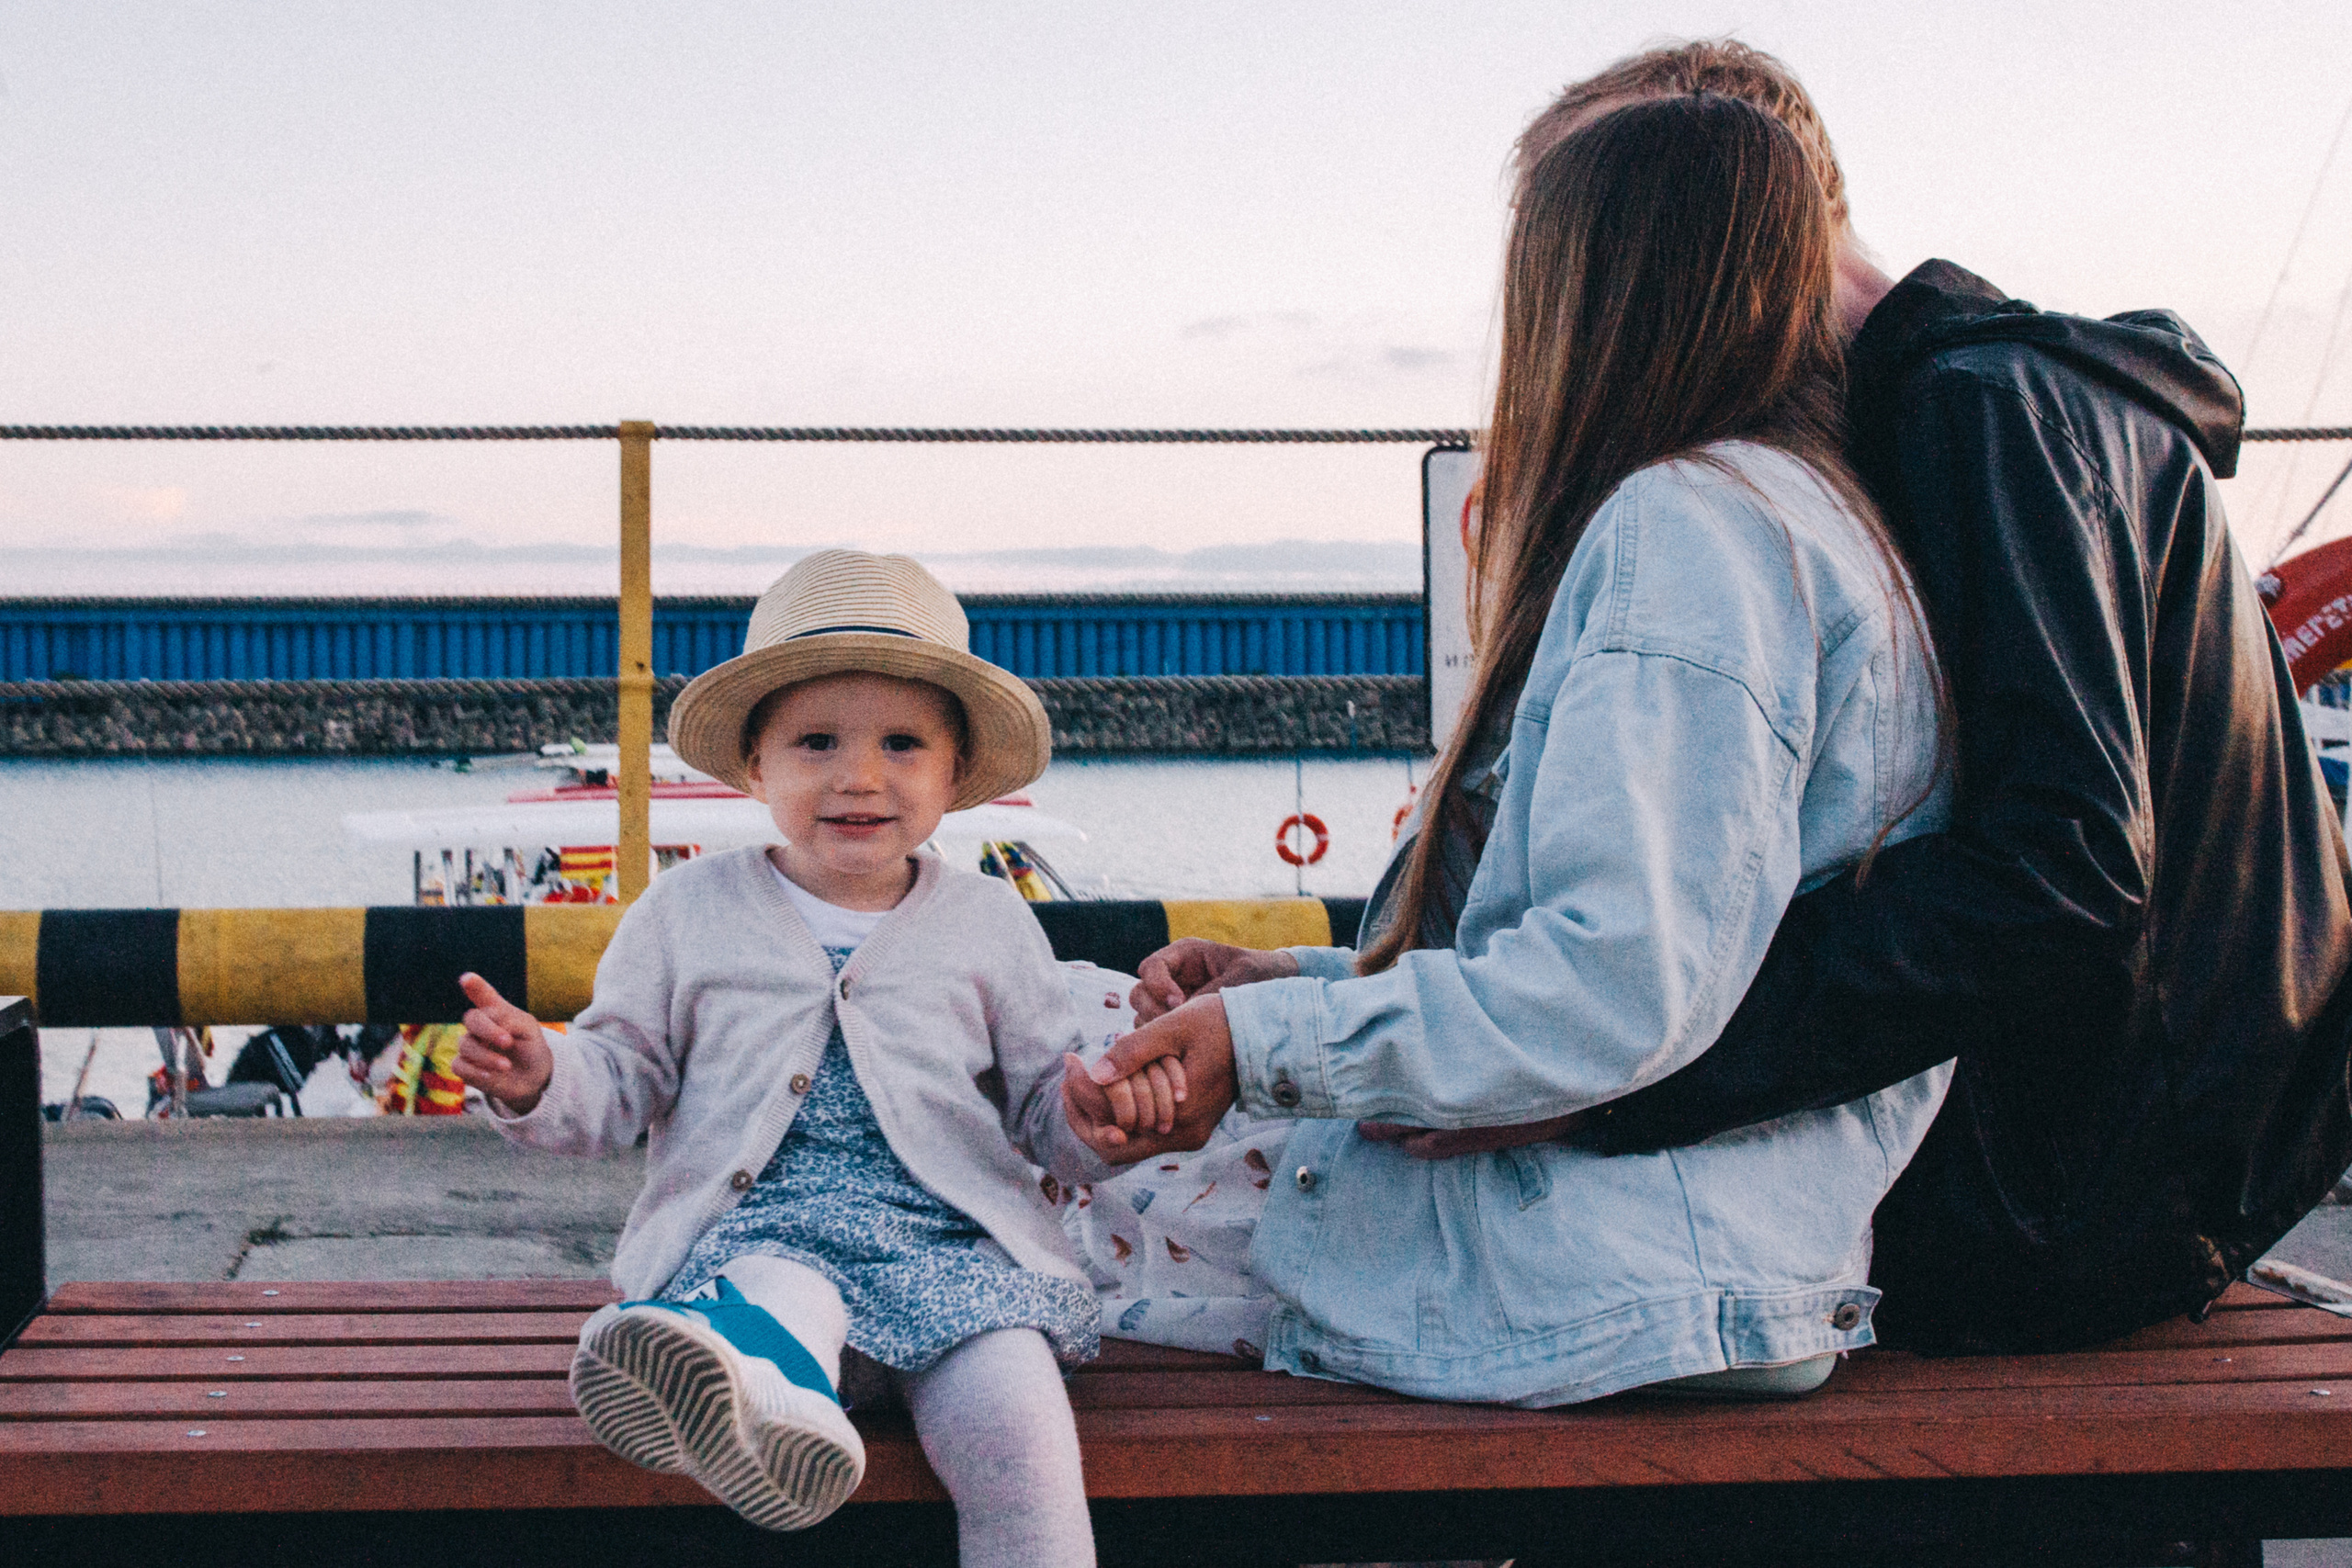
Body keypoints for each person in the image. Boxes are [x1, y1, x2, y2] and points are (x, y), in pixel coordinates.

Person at [1135, 39, 2352, 1357]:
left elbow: (2059, 874)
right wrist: (1357, 991)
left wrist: (1605, 1086)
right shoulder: (1926, 427)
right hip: (2153, 1140)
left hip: (2083, 1184)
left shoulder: (1970, 410)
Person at [1065, 93, 1953, 1406]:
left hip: (1585, 1285)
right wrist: (1298, 979)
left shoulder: (1687, 527)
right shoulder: (1839, 523)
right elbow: (1681, 954)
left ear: (1583, 291)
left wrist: (1256, 1042)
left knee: (992, 1195)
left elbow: (1606, 986)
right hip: (1715, 1253)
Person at [451, 549, 1121, 1566]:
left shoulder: (989, 920)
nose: (859, 776)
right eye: (817, 742)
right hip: (757, 1234)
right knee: (775, 1293)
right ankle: (770, 1392)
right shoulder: (686, 910)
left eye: (903, 744)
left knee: (1021, 1429)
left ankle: (789, 1402)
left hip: (953, 1257)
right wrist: (544, 1073)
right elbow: (621, 1074)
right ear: (756, 767)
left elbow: (1041, 1108)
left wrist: (1097, 1118)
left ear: (953, 775)